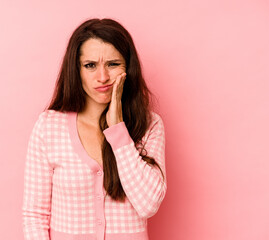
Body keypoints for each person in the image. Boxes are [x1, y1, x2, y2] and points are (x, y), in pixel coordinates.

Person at [22, 18, 167, 240]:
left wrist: (118, 130)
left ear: (128, 68)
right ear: (76, 69)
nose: (103, 77)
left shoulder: (149, 125)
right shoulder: (49, 126)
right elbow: (35, 215)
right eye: (90, 65)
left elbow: (148, 205)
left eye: (113, 64)